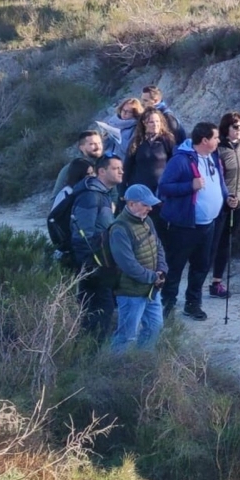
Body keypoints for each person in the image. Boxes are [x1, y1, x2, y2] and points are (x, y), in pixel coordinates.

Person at [157, 121, 232, 320]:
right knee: (175, 266)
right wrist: (190, 186)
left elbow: (220, 182)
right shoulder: (180, 160)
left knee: (201, 266)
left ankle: (192, 304)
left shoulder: (213, 156)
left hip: (209, 224)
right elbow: (164, 187)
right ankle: (167, 303)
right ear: (205, 140)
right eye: (215, 137)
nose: (219, 141)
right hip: (184, 226)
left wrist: (227, 197)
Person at [107, 184, 167, 353]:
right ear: (131, 204)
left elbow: (158, 246)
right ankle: (115, 366)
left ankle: (142, 362)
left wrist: (162, 269)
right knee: (126, 336)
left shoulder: (147, 221)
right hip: (130, 292)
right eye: (145, 204)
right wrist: (153, 277)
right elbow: (128, 265)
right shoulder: (119, 229)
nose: (150, 208)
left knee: (154, 328)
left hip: (151, 289)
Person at [70, 154, 123, 340]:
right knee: (100, 308)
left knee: (98, 308)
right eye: (116, 168)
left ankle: (89, 347)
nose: (121, 172)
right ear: (101, 171)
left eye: (121, 168)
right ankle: (90, 349)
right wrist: (92, 266)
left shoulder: (102, 194)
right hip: (94, 265)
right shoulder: (91, 196)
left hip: (101, 262)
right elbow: (81, 235)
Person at [209, 110, 240, 298]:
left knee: (227, 243)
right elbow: (215, 178)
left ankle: (217, 282)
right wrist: (226, 197)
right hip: (221, 204)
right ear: (226, 128)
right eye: (235, 126)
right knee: (216, 242)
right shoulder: (218, 149)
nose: (239, 130)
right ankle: (205, 280)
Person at [124, 107, 177, 194]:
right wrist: (122, 190)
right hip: (140, 189)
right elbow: (127, 166)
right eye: (151, 122)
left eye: (157, 121)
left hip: (160, 189)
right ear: (144, 123)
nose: (155, 124)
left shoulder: (167, 140)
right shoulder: (137, 141)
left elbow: (174, 164)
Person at [52, 129, 104, 203]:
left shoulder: (107, 164)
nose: (97, 147)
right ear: (81, 147)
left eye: (99, 143)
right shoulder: (70, 169)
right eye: (92, 144)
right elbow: (55, 199)